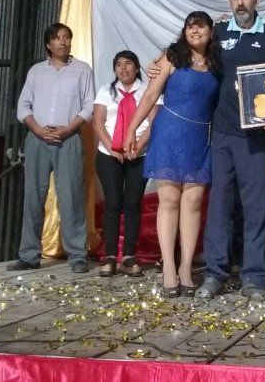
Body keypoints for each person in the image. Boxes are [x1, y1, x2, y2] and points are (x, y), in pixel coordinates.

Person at [196, 0, 265, 302]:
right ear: (229, 0)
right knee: (219, 206)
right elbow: (190, 52)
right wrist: (162, 60)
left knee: (257, 208)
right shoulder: (218, 32)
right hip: (223, 133)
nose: (240, 1)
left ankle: (255, 278)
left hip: (258, 136)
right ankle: (214, 273)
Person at [125, 12, 221, 297]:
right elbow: (150, 96)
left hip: (200, 137)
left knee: (193, 202)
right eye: (190, 27)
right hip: (168, 133)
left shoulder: (218, 63)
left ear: (210, 31)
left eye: (201, 26)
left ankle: (186, 267)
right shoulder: (172, 57)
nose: (195, 31)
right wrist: (132, 129)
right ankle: (168, 266)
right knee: (169, 200)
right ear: (184, 31)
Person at [9, 22, 95, 273]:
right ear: (48, 44)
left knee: (71, 196)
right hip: (38, 138)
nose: (63, 42)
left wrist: (67, 130)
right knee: (33, 196)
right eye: (57, 38)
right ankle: (29, 255)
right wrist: (37, 129)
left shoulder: (82, 70)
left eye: (67, 37)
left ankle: (77, 255)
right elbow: (23, 106)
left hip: (68, 138)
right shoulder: (36, 71)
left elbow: (88, 106)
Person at [92, 50, 160, 278]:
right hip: (108, 154)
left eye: (128, 63)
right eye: (119, 65)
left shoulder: (148, 90)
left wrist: (138, 146)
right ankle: (110, 255)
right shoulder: (106, 91)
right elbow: (98, 122)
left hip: (139, 155)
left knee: (132, 203)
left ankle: (129, 255)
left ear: (137, 67)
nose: (123, 68)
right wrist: (111, 147)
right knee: (113, 202)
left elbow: (154, 122)